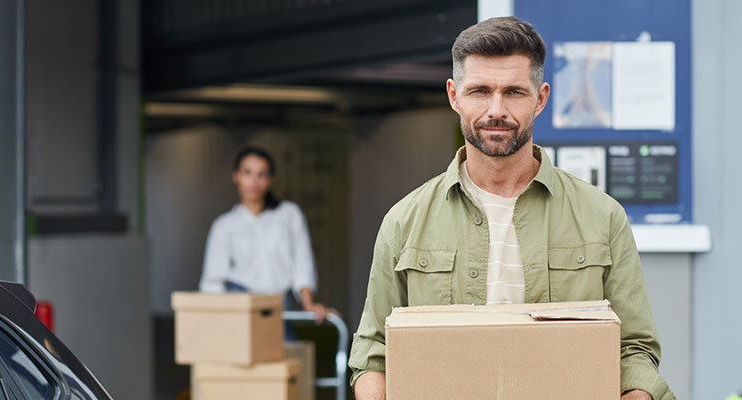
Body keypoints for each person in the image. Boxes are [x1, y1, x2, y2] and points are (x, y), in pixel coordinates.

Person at [348, 17, 673, 400]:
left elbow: (635, 350)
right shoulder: (404, 221)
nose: (496, 110)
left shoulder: (602, 217)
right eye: (480, 91)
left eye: (514, 92)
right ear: (454, 96)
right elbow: (374, 355)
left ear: (541, 98)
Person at [199, 146, 337, 325]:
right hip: (239, 311)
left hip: (281, 308)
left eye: (262, 174)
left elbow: (303, 264)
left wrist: (308, 303)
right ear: (236, 176)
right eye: (248, 173)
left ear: (270, 179)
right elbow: (212, 284)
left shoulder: (289, 214)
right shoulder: (223, 226)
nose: (254, 181)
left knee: (284, 352)